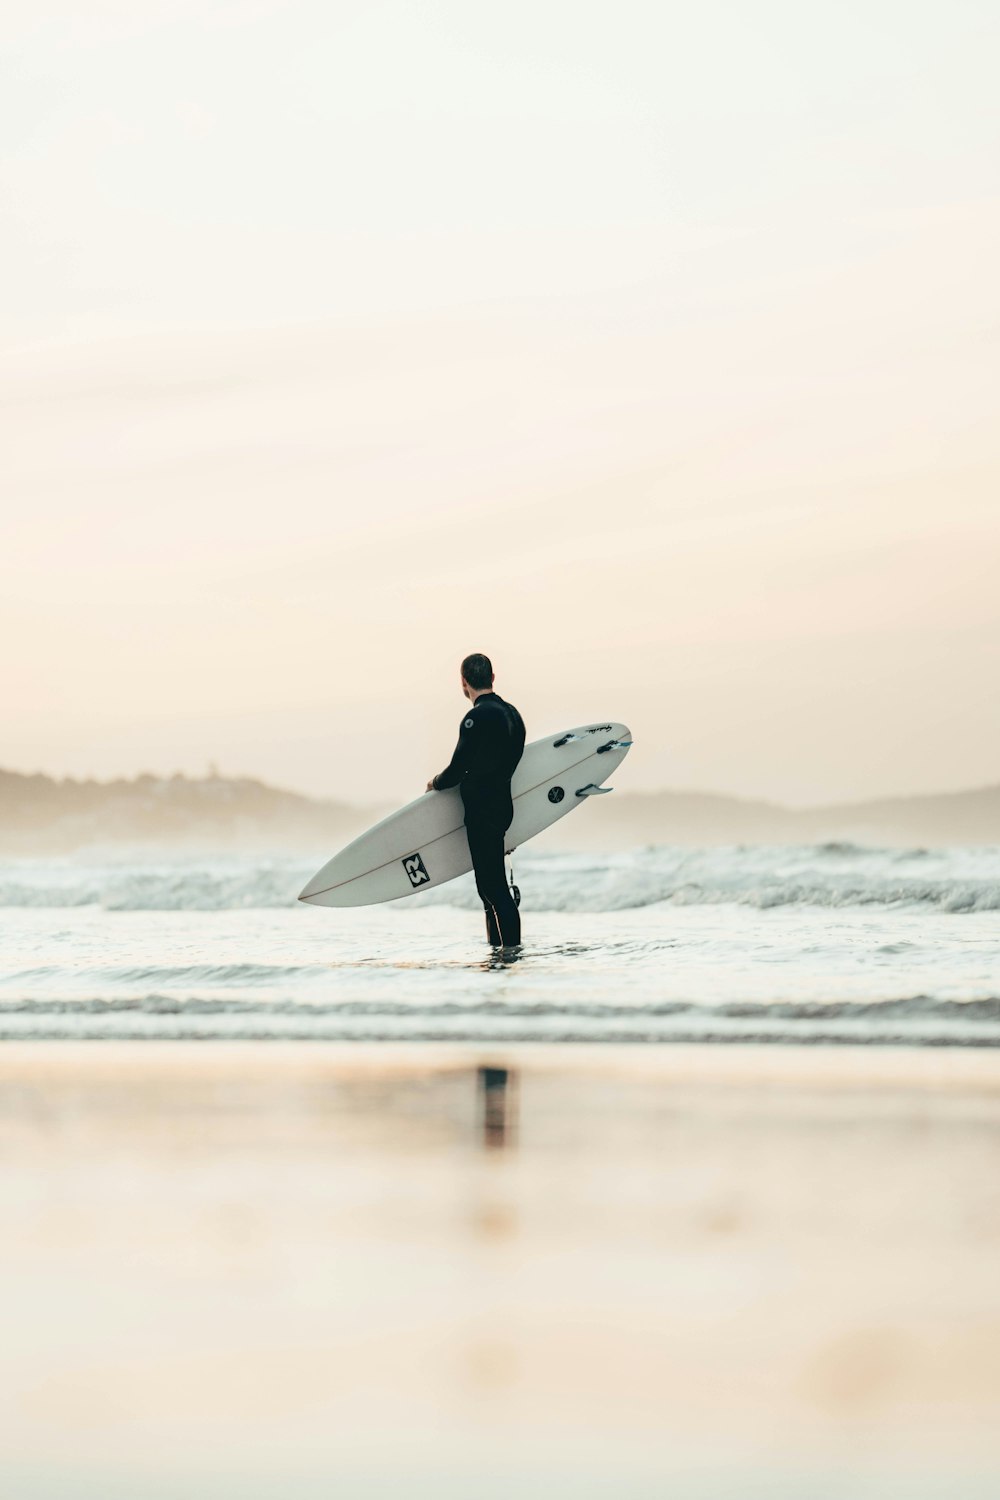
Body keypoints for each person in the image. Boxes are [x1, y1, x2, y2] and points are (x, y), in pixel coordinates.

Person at [426, 653, 526, 947]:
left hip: (482, 811)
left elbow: (457, 769)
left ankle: (510, 953)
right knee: (491, 890)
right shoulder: (513, 714)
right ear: (492, 678)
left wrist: (436, 783)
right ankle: (499, 951)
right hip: (502, 806)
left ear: (464, 683)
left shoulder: (476, 717)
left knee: (493, 890)